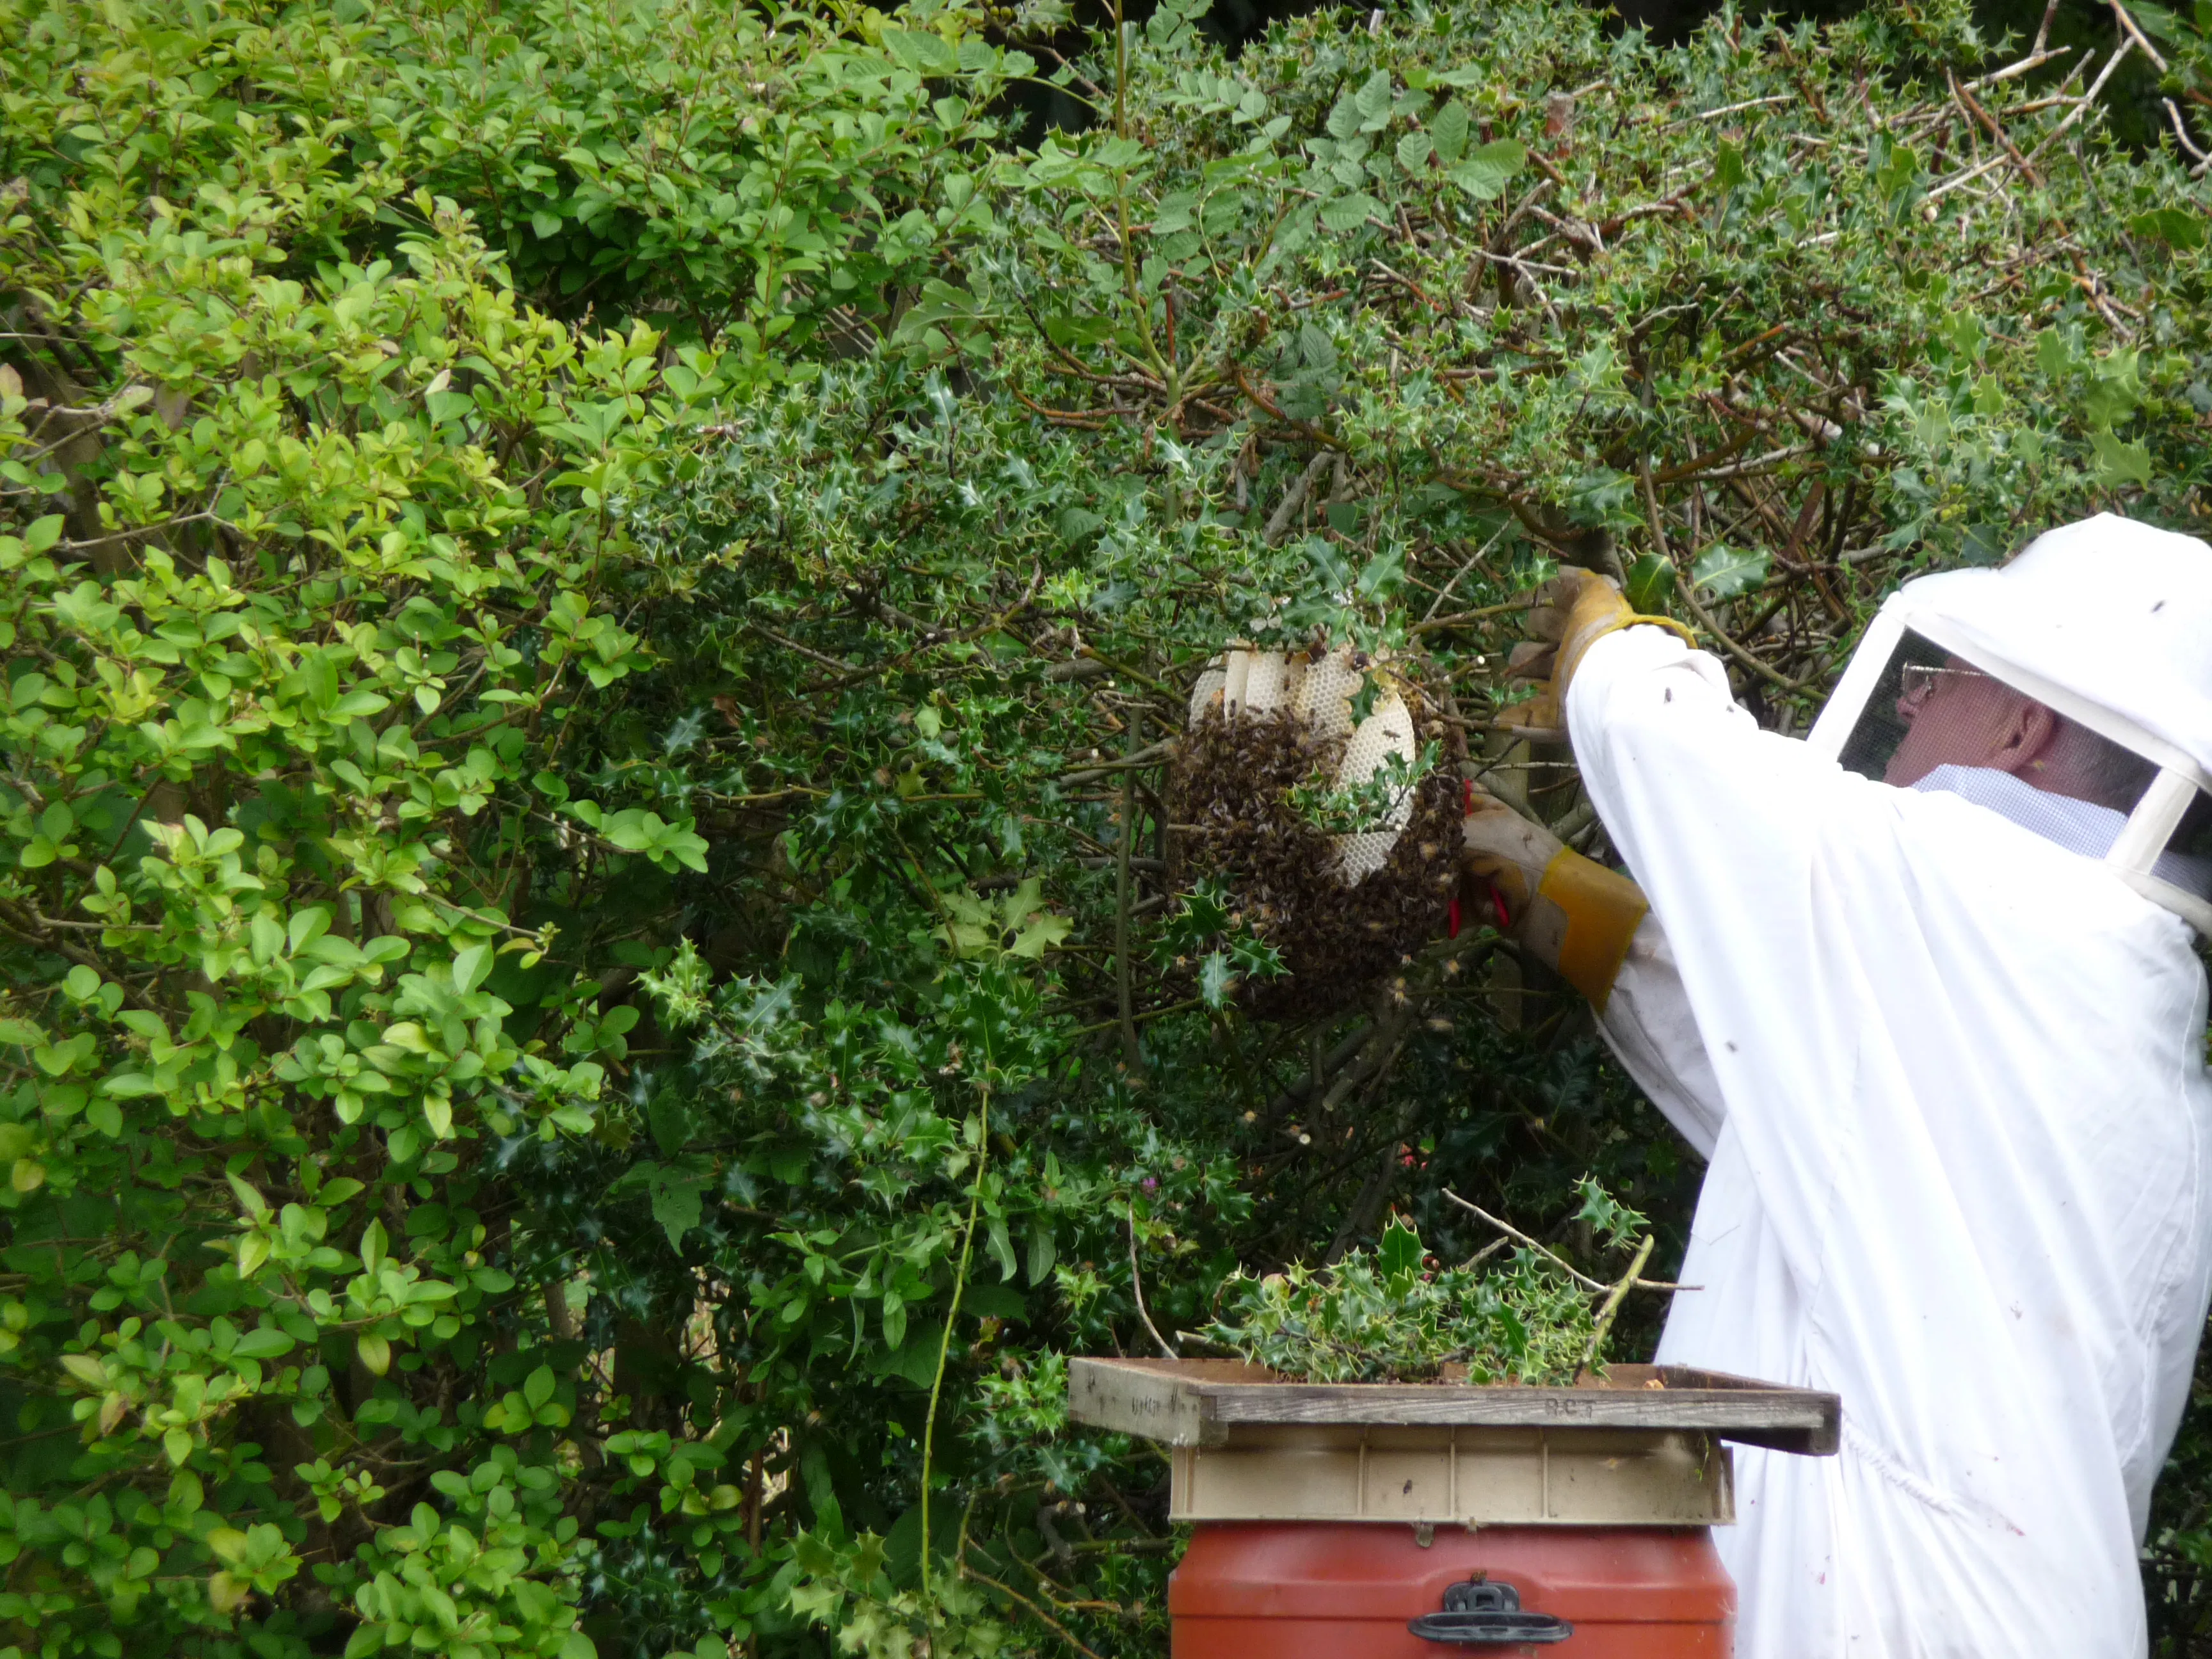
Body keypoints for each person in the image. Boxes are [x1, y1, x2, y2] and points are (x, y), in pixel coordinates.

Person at [1464, 513, 2212, 1655]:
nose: (1911, 703)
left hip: (1891, 1613)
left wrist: (1610, 641)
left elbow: (1676, 750)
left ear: (2022, 724)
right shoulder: (2115, 1004)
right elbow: (1799, 1111)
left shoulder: (1969, 889)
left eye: (1942, 676)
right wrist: (1555, 899)